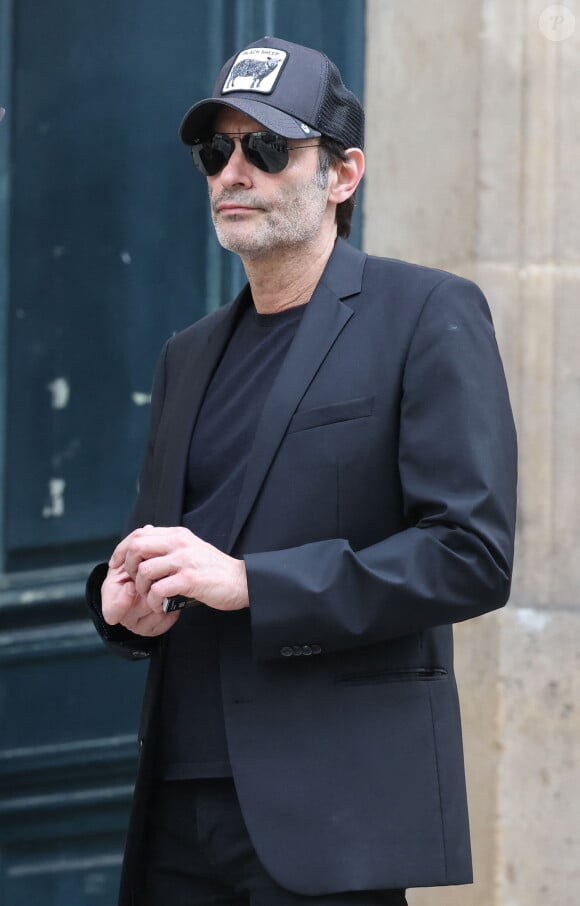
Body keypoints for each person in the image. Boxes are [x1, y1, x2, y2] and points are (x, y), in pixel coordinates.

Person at [86, 35, 517, 906]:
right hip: (176, 804)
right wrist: (125, 607)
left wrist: (256, 584)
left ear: (343, 175)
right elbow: (168, 552)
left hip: (332, 814)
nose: (233, 172)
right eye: (218, 150)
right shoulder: (186, 355)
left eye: (268, 147)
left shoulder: (426, 314)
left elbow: (470, 553)